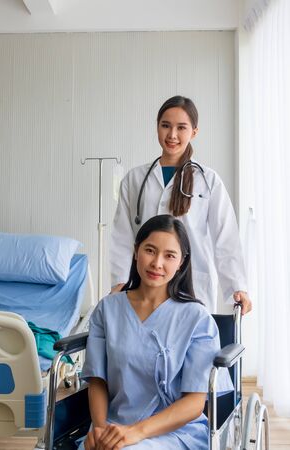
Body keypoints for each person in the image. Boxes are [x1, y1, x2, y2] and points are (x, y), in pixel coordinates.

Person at [79, 215, 233, 450]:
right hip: (113, 425)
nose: (157, 263)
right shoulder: (108, 309)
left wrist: (135, 433)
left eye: (169, 255)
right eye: (150, 250)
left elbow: (194, 402)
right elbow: (97, 380)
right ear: (135, 251)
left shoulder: (196, 319)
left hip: (176, 432)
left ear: (181, 262)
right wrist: (99, 430)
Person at [110, 95, 252, 315]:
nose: (172, 135)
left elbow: (225, 236)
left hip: (193, 285)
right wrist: (120, 281)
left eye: (181, 128)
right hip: (145, 284)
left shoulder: (207, 180)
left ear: (194, 132)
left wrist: (237, 286)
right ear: (157, 127)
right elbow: (122, 237)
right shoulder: (135, 179)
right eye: (165, 125)